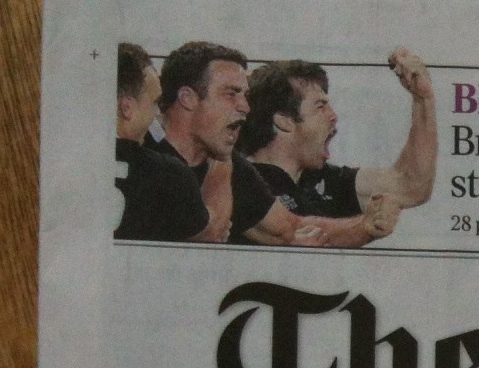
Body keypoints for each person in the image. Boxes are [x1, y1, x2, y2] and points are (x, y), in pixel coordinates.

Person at [146, 42, 393, 247]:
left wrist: (366, 227)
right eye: (231, 94)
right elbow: (208, 235)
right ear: (188, 98)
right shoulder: (144, 159)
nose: (245, 107)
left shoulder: (233, 167)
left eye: (244, 95)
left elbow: (289, 229)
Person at [237, 52, 433, 237]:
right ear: (284, 121)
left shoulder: (323, 180)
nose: (333, 116)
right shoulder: (239, 181)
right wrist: (365, 226)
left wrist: (423, 99)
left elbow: (410, 187)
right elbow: (294, 235)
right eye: (320, 106)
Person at [113, 42, 218, 241]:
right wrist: (223, 164)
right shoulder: (170, 174)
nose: (157, 113)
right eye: (154, 102)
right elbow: (211, 235)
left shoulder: (63, 161)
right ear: (127, 108)